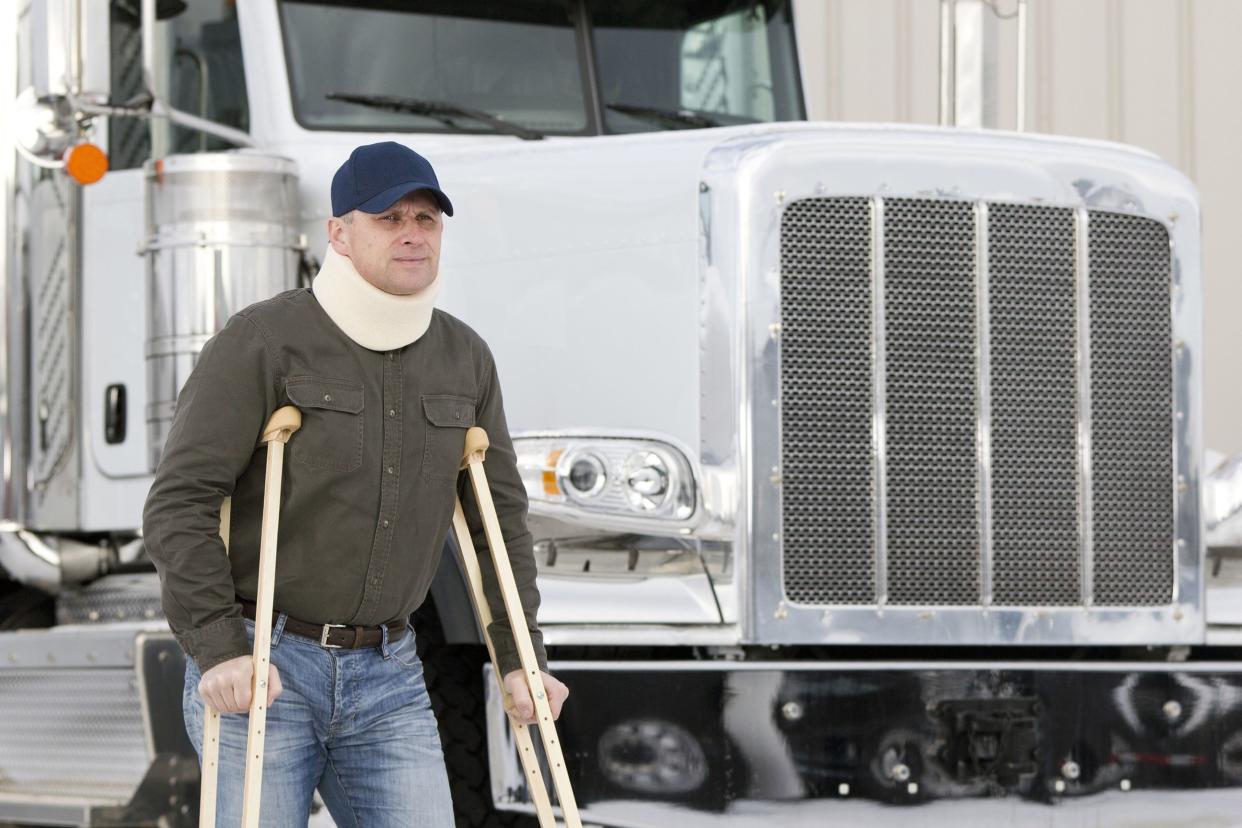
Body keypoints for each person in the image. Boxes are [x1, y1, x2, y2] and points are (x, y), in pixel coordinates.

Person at [143, 141, 568, 827]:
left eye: (426, 219)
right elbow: (180, 503)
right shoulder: (262, 341)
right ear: (338, 234)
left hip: (390, 675)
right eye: (389, 217)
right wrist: (217, 647)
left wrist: (521, 659)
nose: (411, 233)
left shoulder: (464, 357)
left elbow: (498, 525)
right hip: (264, 663)